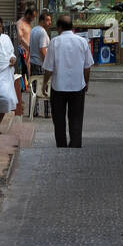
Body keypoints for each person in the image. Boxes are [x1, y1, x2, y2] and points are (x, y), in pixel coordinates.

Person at [42, 15, 94, 148]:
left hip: (58, 87)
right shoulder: (82, 42)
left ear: (59, 27)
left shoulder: (55, 42)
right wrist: (86, 82)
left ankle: (61, 145)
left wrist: (44, 83)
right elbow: (87, 66)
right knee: (76, 118)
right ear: (73, 27)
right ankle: (75, 144)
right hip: (78, 86)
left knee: (58, 119)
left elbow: (49, 68)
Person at [28, 11, 52, 79]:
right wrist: (47, 65)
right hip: (40, 64)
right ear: (41, 21)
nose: (50, 23)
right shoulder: (42, 32)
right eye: (47, 20)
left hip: (33, 63)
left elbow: (30, 47)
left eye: (50, 20)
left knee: (35, 86)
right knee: (40, 86)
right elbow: (42, 49)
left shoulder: (33, 29)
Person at [16, 5, 35, 76]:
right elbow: (20, 38)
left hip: (29, 53)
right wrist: (29, 48)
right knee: (24, 74)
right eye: (32, 16)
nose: (33, 19)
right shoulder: (20, 23)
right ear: (28, 14)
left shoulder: (28, 24)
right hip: (23, 52)